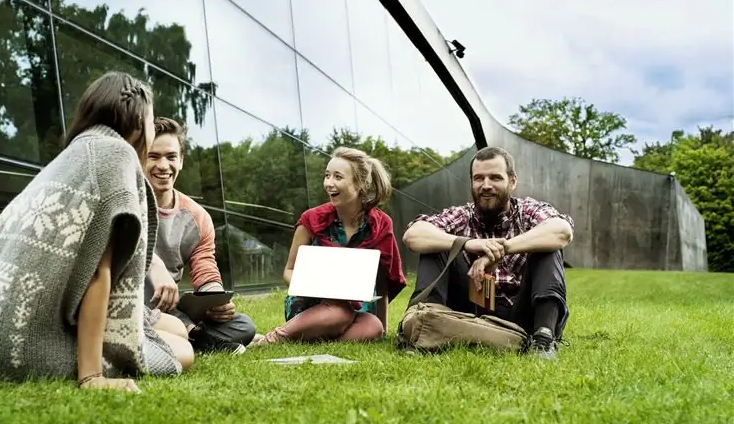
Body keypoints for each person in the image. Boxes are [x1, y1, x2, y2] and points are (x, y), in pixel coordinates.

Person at [0, 72, 194, 392]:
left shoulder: (69, 158)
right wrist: (92, 377)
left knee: (177, 329)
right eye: (151, 120)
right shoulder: (117, 155)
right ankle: (91, 363)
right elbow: (98, 272)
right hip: (30, 345)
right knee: (184, 351)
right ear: (137, 121)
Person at [402, 146, 575, 359]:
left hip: (520, 313)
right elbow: (414, 234)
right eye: (479, 178)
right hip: (466, 312)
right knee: (436, 244)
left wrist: (503, 249)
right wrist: (466, 243)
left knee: (548, 247)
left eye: (495, 178)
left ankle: (543, 340)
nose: (486, 186)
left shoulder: (528, 211)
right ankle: (425, 327)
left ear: (512, 182)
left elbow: (562, 232)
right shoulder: (461, 215)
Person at [253, 147, 406, 345]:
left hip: (355, 309)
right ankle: (272, 339)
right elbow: (289, 271)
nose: (328, 183)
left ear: (359, 183)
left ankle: (313, 342)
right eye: (327, 176)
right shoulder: (311, 219)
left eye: (337, 177)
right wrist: (315, 287)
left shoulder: (381, 224)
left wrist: (383, 328)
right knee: (338, 312)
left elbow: (384, 281)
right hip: (310, 304)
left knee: (372, 327)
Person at [143, 117, 256, 355]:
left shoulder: (197, 216)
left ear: (181, 161)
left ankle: (187, 333)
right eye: (153, 156)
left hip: (169, 307)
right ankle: (193, 335)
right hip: (133, 302)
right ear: (141, 158)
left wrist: (215, 300)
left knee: (243, 326)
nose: (163, 165)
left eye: (171, 157)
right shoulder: (124, 202)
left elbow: (205, 267)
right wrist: (155, 264)